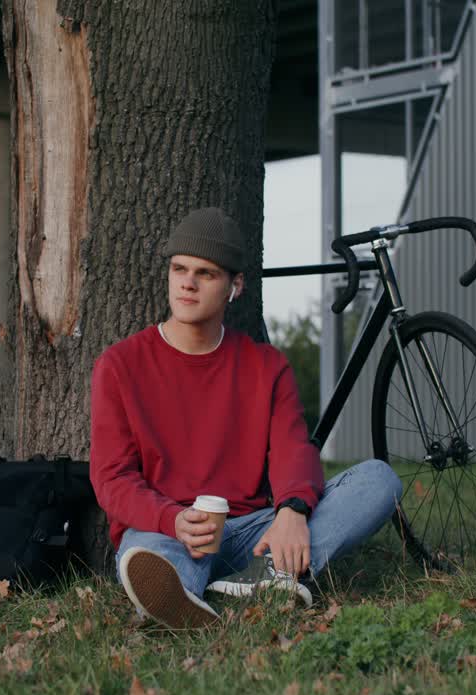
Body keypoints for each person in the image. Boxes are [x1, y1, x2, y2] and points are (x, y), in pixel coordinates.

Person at [89, 206, 404, 630]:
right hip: (167, 528)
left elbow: (294, 449)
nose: (187, 282)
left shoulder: (266, 366)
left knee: (377, 481)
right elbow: (111, 477)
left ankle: (265, 573)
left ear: (235, 286)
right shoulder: (120, 364)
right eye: (179, 268)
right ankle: (186, 592)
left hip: (252, 531)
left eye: (205, 273)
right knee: (151, 556)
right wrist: (173, 520)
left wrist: (292, 509)